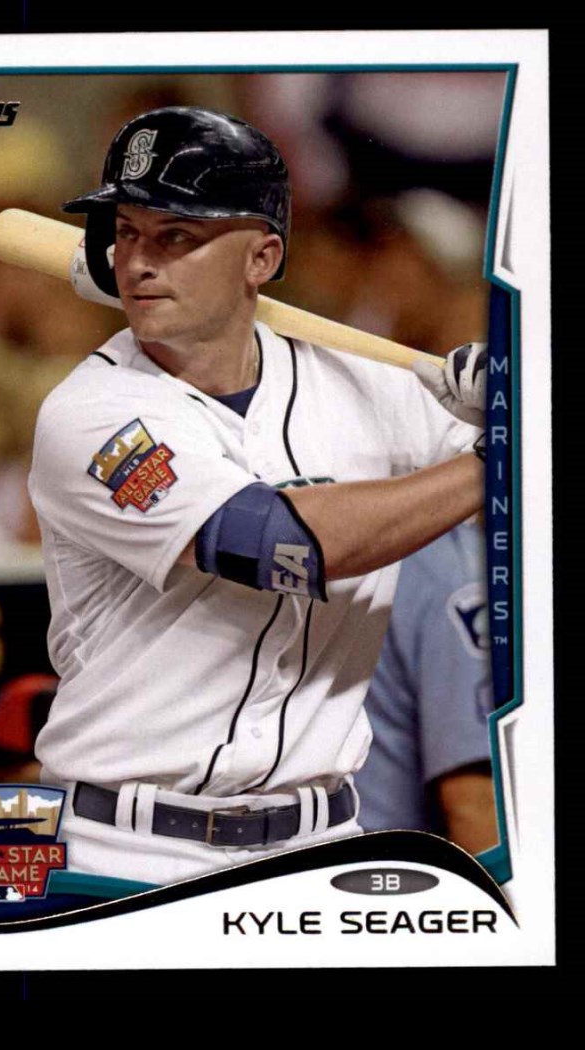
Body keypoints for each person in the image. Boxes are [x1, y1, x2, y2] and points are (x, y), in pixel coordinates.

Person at [28, 106, 486, 887]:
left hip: (323, 840)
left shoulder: (365, 385)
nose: (138, 262)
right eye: (127, 232)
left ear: (262, 256)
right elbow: (282, 545)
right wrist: (493, 455)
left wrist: (508, 389)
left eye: (177, 236)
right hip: (129, 849)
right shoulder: (91, 413)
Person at [354, 523, 497, 855]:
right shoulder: (461, 577)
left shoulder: (381, 549)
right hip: (401, 865)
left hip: (331, 846)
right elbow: (475, 806)